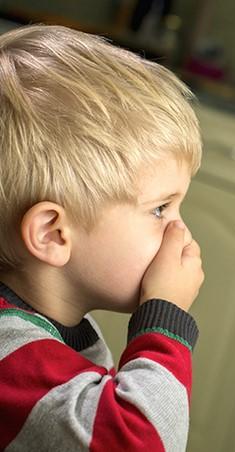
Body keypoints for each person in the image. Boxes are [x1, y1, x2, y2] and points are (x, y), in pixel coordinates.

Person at [0, 24, 204, 451]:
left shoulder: (58, 329)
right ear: (53, 234)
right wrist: (164, 320)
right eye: (159, 209)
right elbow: (136, 443)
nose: (179, 232)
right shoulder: (12, 355)